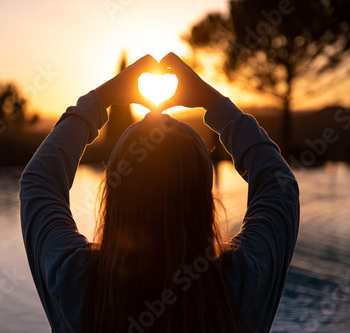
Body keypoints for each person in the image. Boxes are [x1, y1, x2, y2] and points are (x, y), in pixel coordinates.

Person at [20, 53, 300, 332]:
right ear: (205, 202)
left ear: (113, 196)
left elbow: (40, 182)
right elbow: (279, 187)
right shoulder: (243, 282)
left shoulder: (73, 283)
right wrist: (212, 101)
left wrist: (100, 99)